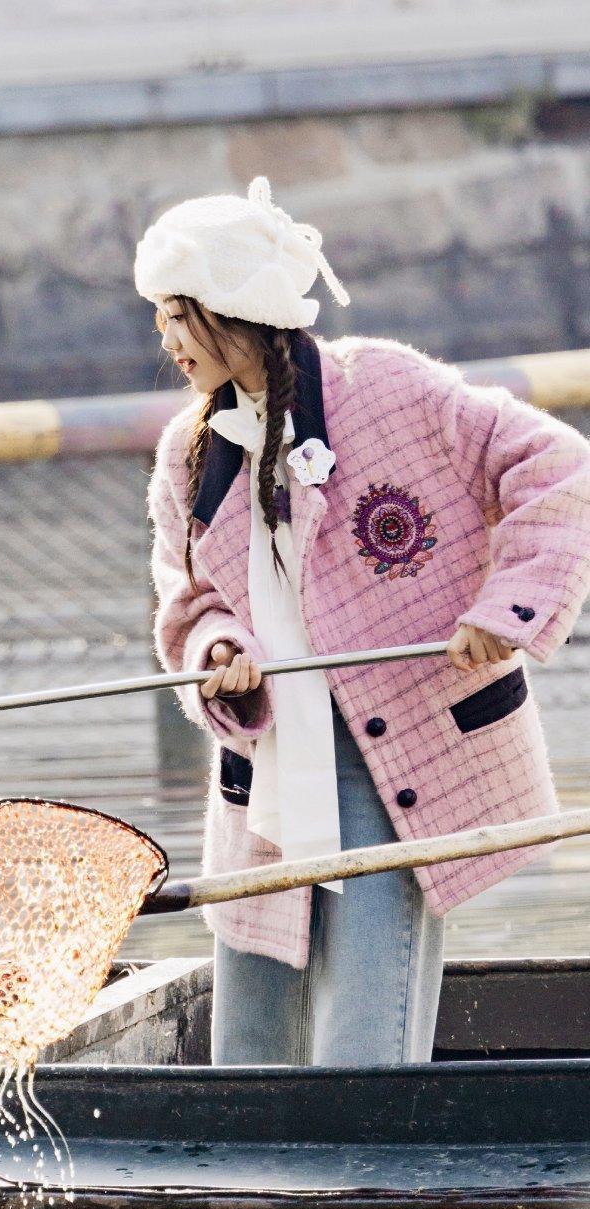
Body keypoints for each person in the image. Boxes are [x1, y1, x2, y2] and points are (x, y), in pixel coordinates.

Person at [135, 175, 590, 1066]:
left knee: (367, 1043)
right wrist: (219, 650)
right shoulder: (186, 453)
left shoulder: (386, 385)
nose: (166, 339)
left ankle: (368, 1153)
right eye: (158, 317)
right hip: (267, 765)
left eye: (178, 315)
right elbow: (187, 598)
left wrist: (506, 610)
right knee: (250, 1041)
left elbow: (559, 467)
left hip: (393, 758)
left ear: (235, 309)